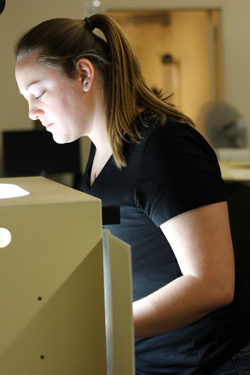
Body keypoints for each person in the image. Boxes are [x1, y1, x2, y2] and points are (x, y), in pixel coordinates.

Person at [14, 14, 250, 375]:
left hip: (206, 362)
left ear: (84, 74)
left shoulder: (163, 147)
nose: (32, 111)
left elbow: (212, 284)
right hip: (145, 360)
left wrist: (98, 328)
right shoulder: (101, 152)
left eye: (38, 92)